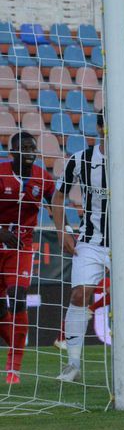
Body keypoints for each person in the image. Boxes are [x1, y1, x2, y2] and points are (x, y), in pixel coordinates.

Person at [52, 130, 124, 382]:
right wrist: (61, 230)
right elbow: (58, 196)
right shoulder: (79, 160)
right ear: (102, 128)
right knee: (79, 294)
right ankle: (73, 364)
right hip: (91, 241)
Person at [0, 132, 54, 384]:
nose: (31, 151)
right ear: (12, 152)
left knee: (18, 297)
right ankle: (17, 341)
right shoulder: (1, 173)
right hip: (1, 241)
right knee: (1, 311)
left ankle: (14, 367)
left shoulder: (42, 177)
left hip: (21, 247)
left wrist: (64, 228)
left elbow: (57, 202)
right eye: (25, 147)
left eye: (33, 146)